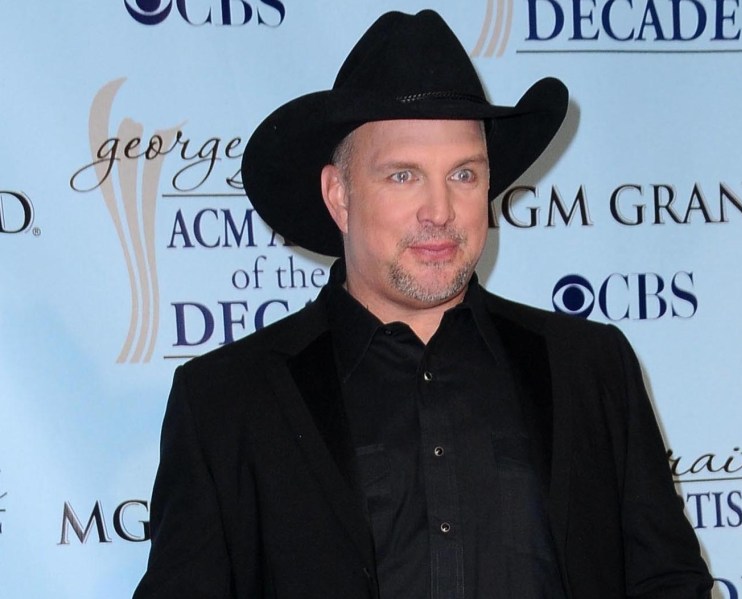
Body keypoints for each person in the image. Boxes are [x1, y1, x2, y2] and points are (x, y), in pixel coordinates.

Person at [133, 9, 712, 599]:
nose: (439, 210)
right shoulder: (227, 402)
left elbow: (669, 583)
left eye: (463, 174)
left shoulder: (590, 368)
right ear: (339, 193)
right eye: (404, 176)